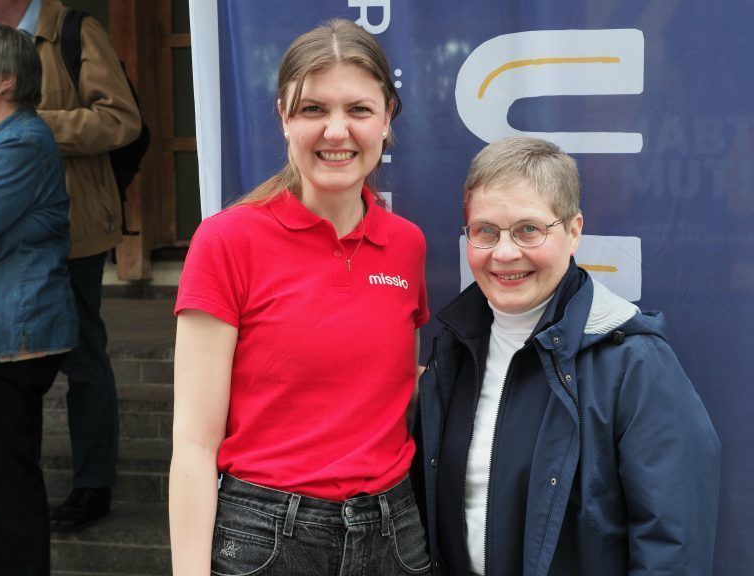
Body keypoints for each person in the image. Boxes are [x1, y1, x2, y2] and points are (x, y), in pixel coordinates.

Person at [171, 18, 431, 576]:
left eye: (358, 110)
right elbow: (193, 446)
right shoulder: (226, 241)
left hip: (395, 533)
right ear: (284, 119)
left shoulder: (406, 245)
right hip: (265, 536)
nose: (336, 131)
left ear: (388, 120)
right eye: (313, 109)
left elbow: (393, 392)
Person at [412, 136, 721, 576]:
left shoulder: (632, 362)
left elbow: (673, 544)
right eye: (485, 231)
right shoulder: (452, 350)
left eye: (529, 229)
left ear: (574, 231)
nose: (504, 253)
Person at [0, 0, 142, 531]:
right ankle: (15, 482)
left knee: (84, 357)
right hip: (6, 234)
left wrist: (25, 122)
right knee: (9, 374)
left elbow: (121, 120)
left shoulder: (74, 31)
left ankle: (93, 482)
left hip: (74, 229)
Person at [0, 24, 77, 576]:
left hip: (14, 337)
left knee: (6, 481)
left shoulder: (21, 139)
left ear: (6, 80)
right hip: (0, 336)